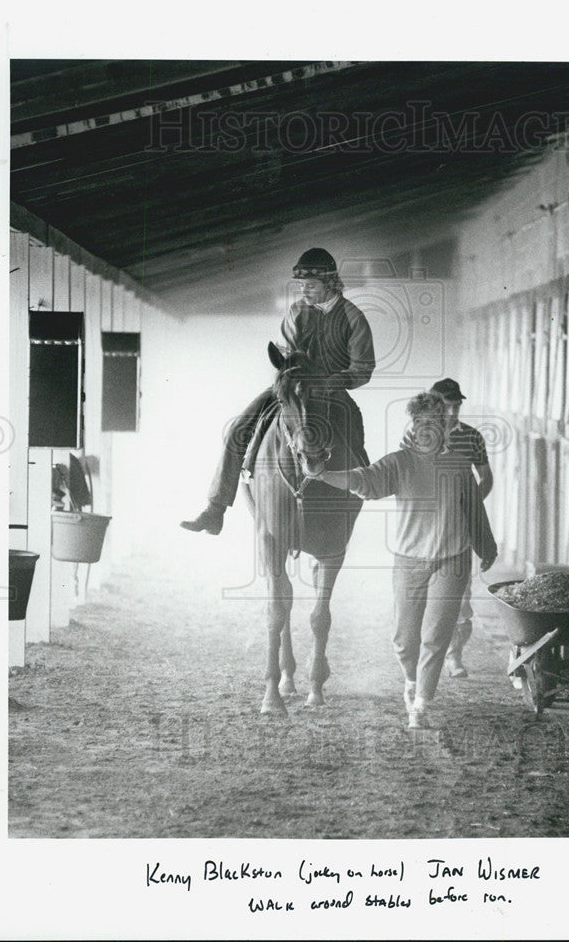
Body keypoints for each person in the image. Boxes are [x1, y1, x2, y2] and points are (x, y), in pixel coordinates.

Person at [312, 392, 497, 729]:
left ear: (444, 427)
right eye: (419, 423)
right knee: (404, 639)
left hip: (451, 561)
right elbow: (363, 479)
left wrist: (487, 548)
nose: (425, 429)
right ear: (413, 427)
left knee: (435, 634)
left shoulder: (457, 465)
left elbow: (474, 509)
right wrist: (324, 474)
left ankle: (421, 704)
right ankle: (410, 681)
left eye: (433, 423)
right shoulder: (399, 463)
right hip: (408, 560)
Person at [181, 248, 375, 535]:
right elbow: (285, 355)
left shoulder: (352, 317)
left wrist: (333, 381)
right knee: (238, 428)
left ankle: (357, 491)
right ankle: (215, 508)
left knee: (354, 435)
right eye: (301, 285)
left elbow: (363, 368)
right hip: (294, 388)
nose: (304, 290)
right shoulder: (296, 311)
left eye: (311, 285)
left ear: (330, 282)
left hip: (331, 391)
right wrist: (288, 376)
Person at [429, 378, 493, 679]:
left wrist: (469, 504)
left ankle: (455, 657)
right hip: (426, 528)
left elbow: (486, 477)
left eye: (457, 406)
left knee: (460, 595)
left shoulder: (472, 437)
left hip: (460, 529)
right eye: (447, 407)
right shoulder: (421, 437)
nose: (453, 412)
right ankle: (427, 655)